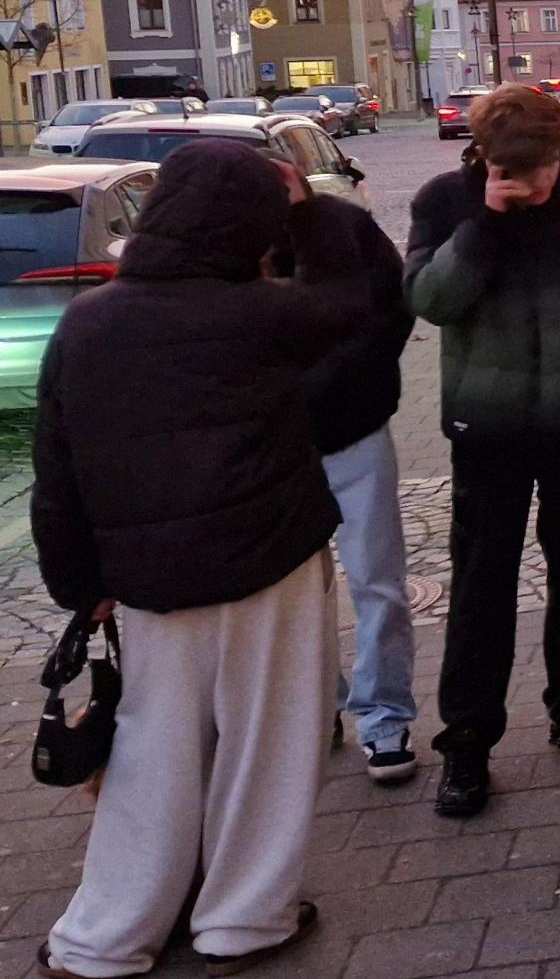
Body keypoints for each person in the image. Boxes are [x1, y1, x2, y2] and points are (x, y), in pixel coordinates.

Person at [31, 142, 370, 977]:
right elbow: (351, 304)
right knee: (271, 742)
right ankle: (243, 920)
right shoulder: (259, 313)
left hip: (149, 581)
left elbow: (58, 472)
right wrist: (312, 211)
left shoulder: (89, 323)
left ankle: (106, 936)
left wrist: (81, 587)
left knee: (151, 751)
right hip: (270, 564)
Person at [406, 84, 560, 818]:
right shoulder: (448, 202)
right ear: (482, 158)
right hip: (489, 426)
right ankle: (468, 742)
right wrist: (484, 222)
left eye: (540, 168)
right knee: (483, 579)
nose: (532, 184)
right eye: (514, 171)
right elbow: (431, 301)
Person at [295, 195, 418, 782]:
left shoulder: (345, 227)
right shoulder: (225, 239)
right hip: (273, 448)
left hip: (353, 430)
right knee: (294, 593)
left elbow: (393, 311)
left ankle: (383, 717)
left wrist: (358, 382)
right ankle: (317, 706)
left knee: (377, 580)